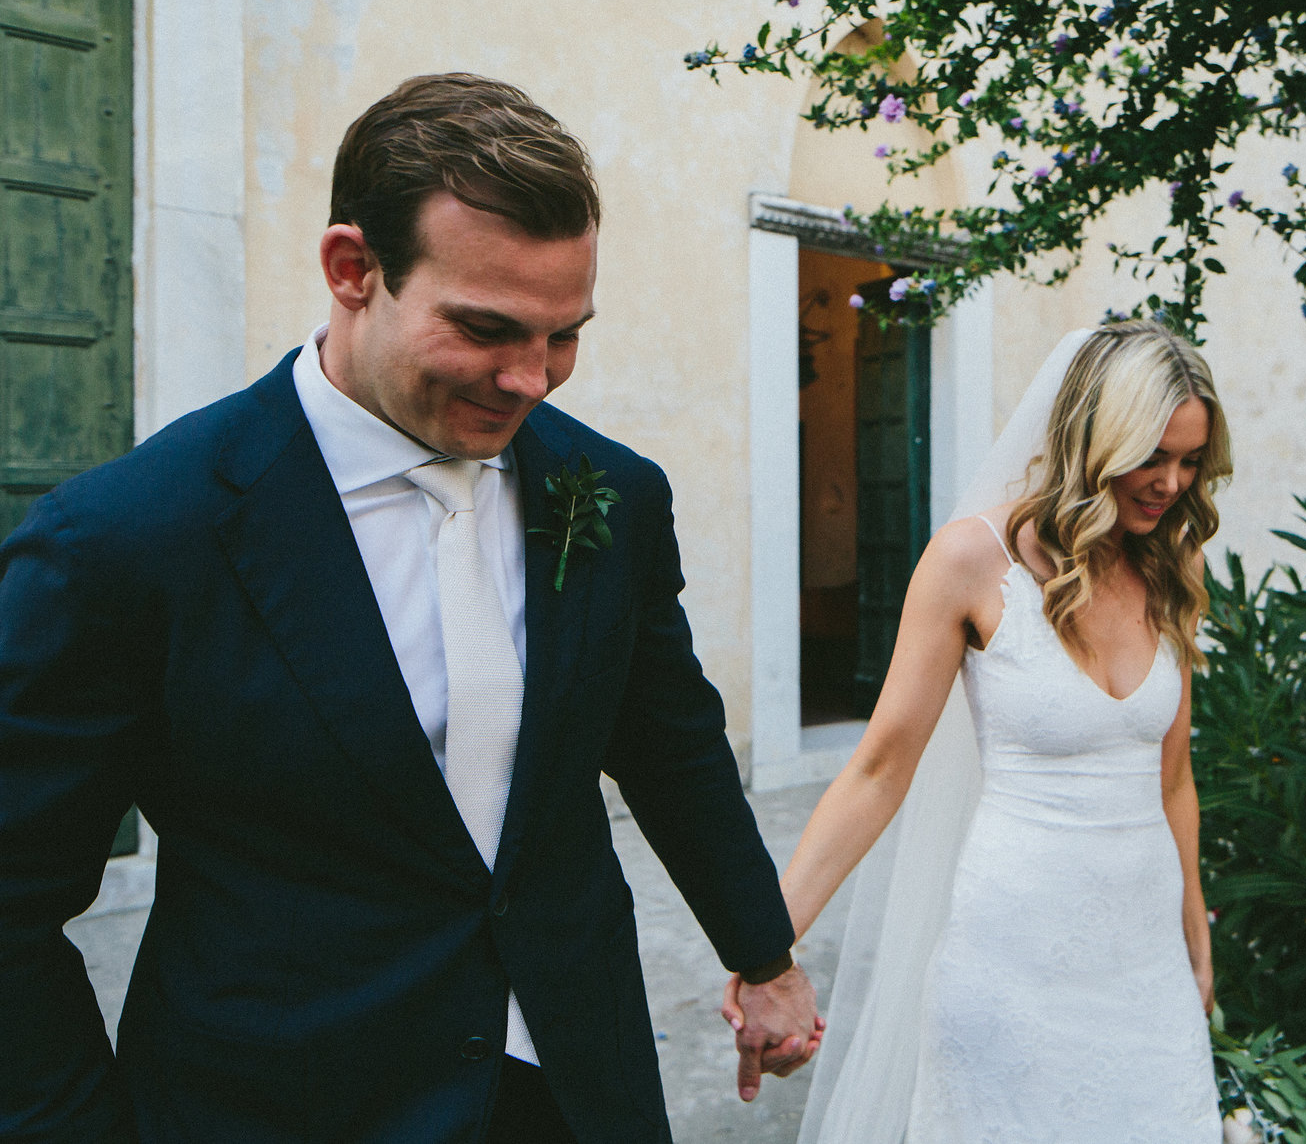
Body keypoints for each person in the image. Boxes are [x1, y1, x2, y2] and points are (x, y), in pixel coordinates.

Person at [0, 74, 819, 1143]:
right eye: (486, 328)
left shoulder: (614, 493)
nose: (530, 380)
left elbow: (668, 743)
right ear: (353, 270)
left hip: (578, 1080)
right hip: (291, 1103)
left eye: (563, 335)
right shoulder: (124, 540)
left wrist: (762, 957)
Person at [782, 319, 1231, 1143]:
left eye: (1191, 459)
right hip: (1011, 960)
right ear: (1094, 436)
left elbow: (1173, 778)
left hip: (1144, 965)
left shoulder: (1173, 561)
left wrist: (1195, 938)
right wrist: (767, 940)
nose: (1171, 482)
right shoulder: (969, 561)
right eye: (1152, 455)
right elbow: (879, 768)